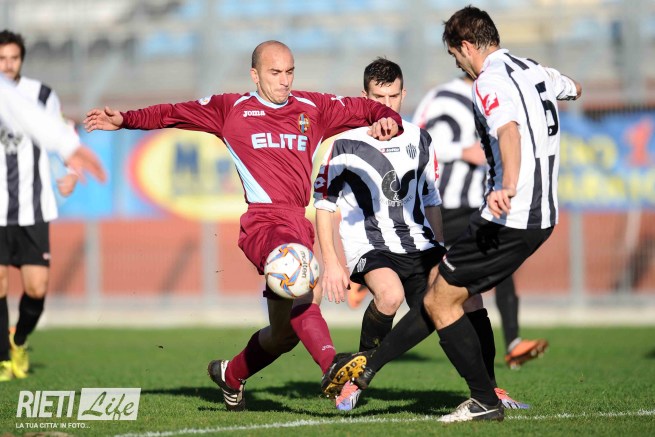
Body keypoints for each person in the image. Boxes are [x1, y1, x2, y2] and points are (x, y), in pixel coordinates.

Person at [84, 40, 403, 411]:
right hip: (264, 223)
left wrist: (388, 118)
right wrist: (125, 120)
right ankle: (331, 364)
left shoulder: (313, 108)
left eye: (289, 72)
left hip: (297, 223)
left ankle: (230, 374)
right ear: (255, 75)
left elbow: (368, 108)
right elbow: (173, 113)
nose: (284, 80)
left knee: (283, 336)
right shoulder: (230, 109)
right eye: (274, 72)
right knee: (301, 279)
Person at [316, 58, 527, 412]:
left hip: (420, 244)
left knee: (468, 299)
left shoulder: (419, 138)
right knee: (389, 296)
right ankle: (357, 380)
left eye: (393, 96)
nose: (387, 105)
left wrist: (440, 249)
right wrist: (332, 262)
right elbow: (324, 206)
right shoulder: (344, 145)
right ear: (364, 97)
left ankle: (490, 391)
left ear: (404, 94)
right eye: (378, 97)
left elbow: (431, 200)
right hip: (370, 245)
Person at [413, 74, 548, 369]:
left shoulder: (494, 94)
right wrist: (462, 151)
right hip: (444, 204)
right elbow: (418, 140)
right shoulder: (444, 96)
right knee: (427, 271)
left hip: (477, 204)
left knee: (501, 265)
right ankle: (380, 277)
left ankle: (513, 343)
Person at [0, 30, 106, 382]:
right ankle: (2, 359)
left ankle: (18, 340)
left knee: (36, 289)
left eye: (13, 58)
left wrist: (72, 170)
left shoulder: (40, 95)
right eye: (1, 58)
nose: (7, 64)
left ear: (21, 59)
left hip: (33, 207)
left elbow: (59, 130)